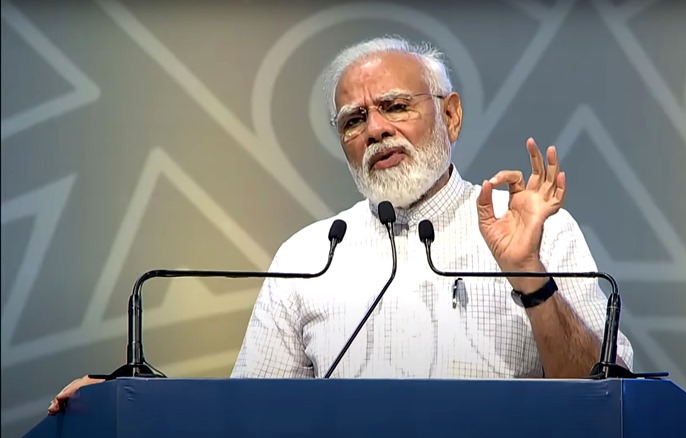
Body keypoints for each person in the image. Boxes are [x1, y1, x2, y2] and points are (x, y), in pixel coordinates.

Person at [48, 36, 633, 414]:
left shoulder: (537, 232)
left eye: (396, 106)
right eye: (354, 120)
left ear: (450, 115)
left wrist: (529, 275)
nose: (375, 129)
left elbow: (606, 400)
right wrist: (132, 402)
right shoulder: (309, 255)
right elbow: (247, 414)